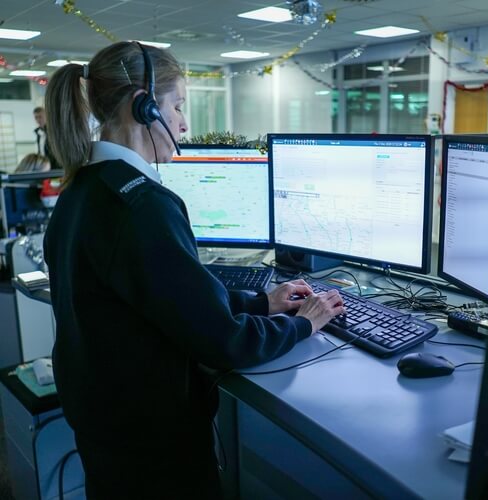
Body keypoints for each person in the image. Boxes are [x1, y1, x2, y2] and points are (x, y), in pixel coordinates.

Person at [43, 40, 345, 500]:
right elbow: (224, 341)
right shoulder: (142, 206)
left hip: (106, 417)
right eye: (178, 106)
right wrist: (301, 325)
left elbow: (166, 299)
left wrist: (263, 301)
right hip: (152, 440)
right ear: (143, 107)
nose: (184, 124)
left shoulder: (82, 188)